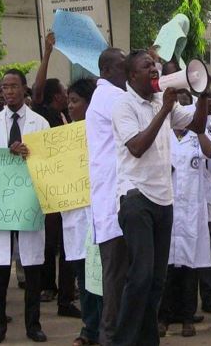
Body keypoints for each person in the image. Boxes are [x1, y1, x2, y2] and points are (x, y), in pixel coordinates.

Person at [110, 50, 208, 346]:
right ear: (131, 76)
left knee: (156, 279)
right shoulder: (124, 106)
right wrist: (165, 109)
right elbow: (137, 147)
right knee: (139, 276)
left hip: (163, 201)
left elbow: (198, 126)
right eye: (146, 66)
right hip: (136, 197)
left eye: (154, 65)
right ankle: (123, 341)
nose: (154, 69)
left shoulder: (159, 100)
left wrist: (203, 94)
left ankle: (147, 339)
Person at [0, 69, 49, 345]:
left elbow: (48, 161)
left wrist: (29, 154)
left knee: (32, 265)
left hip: (29, 200)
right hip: (0, 203)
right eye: (4, 88)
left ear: (24, 89)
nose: (8, 92)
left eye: (13, 87)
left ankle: (33, 324)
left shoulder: (40, 123)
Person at [158, 90, 211, 338]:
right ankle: (164, 318)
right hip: (168, 208)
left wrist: (199, 129)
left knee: (190, 267)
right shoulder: (163, 135)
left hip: (192, 210)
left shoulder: (196, 136)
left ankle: (187, 318)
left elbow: (210, 153)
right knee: (166, 267)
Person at [31, 32, 77, 315]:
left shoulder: (69, 116)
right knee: (50, 240)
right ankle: (48, 286)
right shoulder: (43, 114)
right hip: (49, 186)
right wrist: (48, 53)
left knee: (68, 240)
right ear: (52, 97)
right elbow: (36, 91)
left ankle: (67, 295)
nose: (65, 96)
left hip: (71, 186)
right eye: (61, 93)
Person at [85, 47, 128, 346]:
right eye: (126, 67)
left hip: (117, 199)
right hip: (113, 203)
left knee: (121, 275)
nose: (130, 72)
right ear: (109, 70)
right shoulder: (111, 98)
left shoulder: (110, 96)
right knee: (115, 277)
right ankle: (110, 336)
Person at [58, 78, 105, 346]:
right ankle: (89, 329)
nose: (70, 106)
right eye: (69, 101)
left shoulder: (104, 132)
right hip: (76, 216)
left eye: (75, 101)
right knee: (84, 276)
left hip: (100, 215)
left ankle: (104, 328)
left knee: (102, 275)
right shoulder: (63, 136)